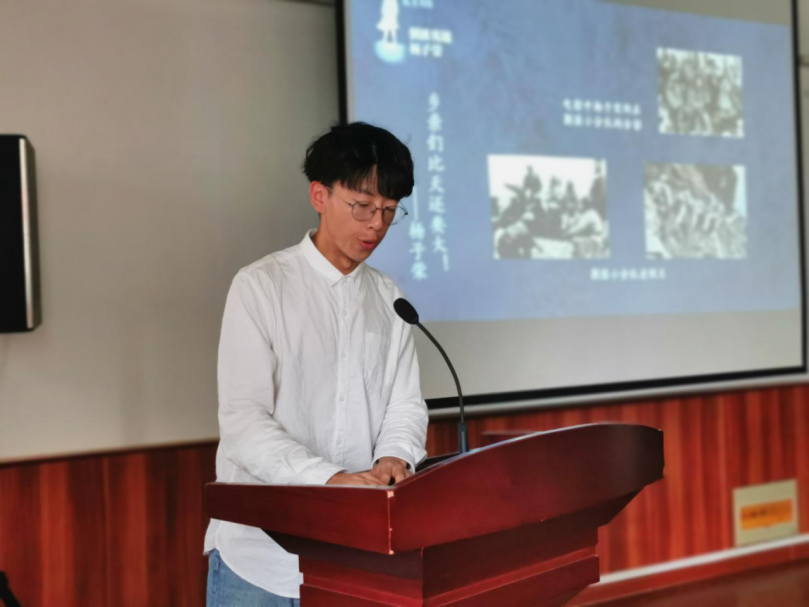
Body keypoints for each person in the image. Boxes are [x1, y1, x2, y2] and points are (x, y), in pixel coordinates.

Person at [204, 122, 429, 606]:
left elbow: (405, 404)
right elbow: (243, 421)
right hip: (260, 559)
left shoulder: (388, 297)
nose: (377, 225)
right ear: (319, 195)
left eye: (390, 210)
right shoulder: (261, 286)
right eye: (363, 206)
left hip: (356, 554)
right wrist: (328, 479)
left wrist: (395, 456)